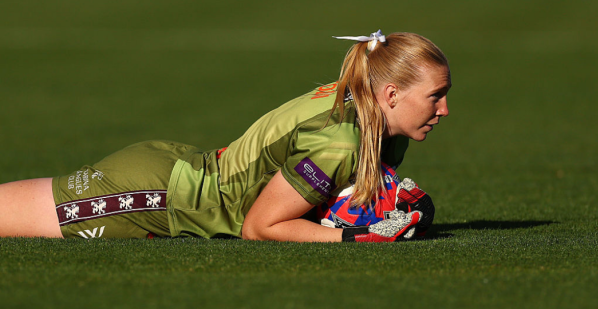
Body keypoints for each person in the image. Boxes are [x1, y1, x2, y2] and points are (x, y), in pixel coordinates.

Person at [0, 30, 451, 242]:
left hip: (178, 168)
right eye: (436, 96)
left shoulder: (377, 118)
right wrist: (359, 239)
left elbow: (324, 197)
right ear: (391, 94)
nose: (444, 109)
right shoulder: (342, 140)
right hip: (158, 194)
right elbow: (261, 226)